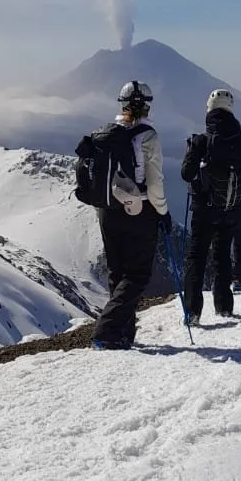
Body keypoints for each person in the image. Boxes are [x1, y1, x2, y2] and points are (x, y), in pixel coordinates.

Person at [91, 81, 171, 350]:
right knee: (137, 275)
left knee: (117, 272)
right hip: (140, 210)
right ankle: (107, 330)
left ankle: (122, 335)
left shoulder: (106, 134)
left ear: (122, 104)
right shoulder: (148, 136)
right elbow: (155, 181)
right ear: (146, 105)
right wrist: (163, 211)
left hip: (107, 210)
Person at [181, 88, 241, 322]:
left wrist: (193, 154)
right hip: (229, 209)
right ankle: (224, 307)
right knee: (222, 256)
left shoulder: (201, 141)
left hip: (203, 210)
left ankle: (192, 312)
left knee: (196, 258)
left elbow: (187, 174)